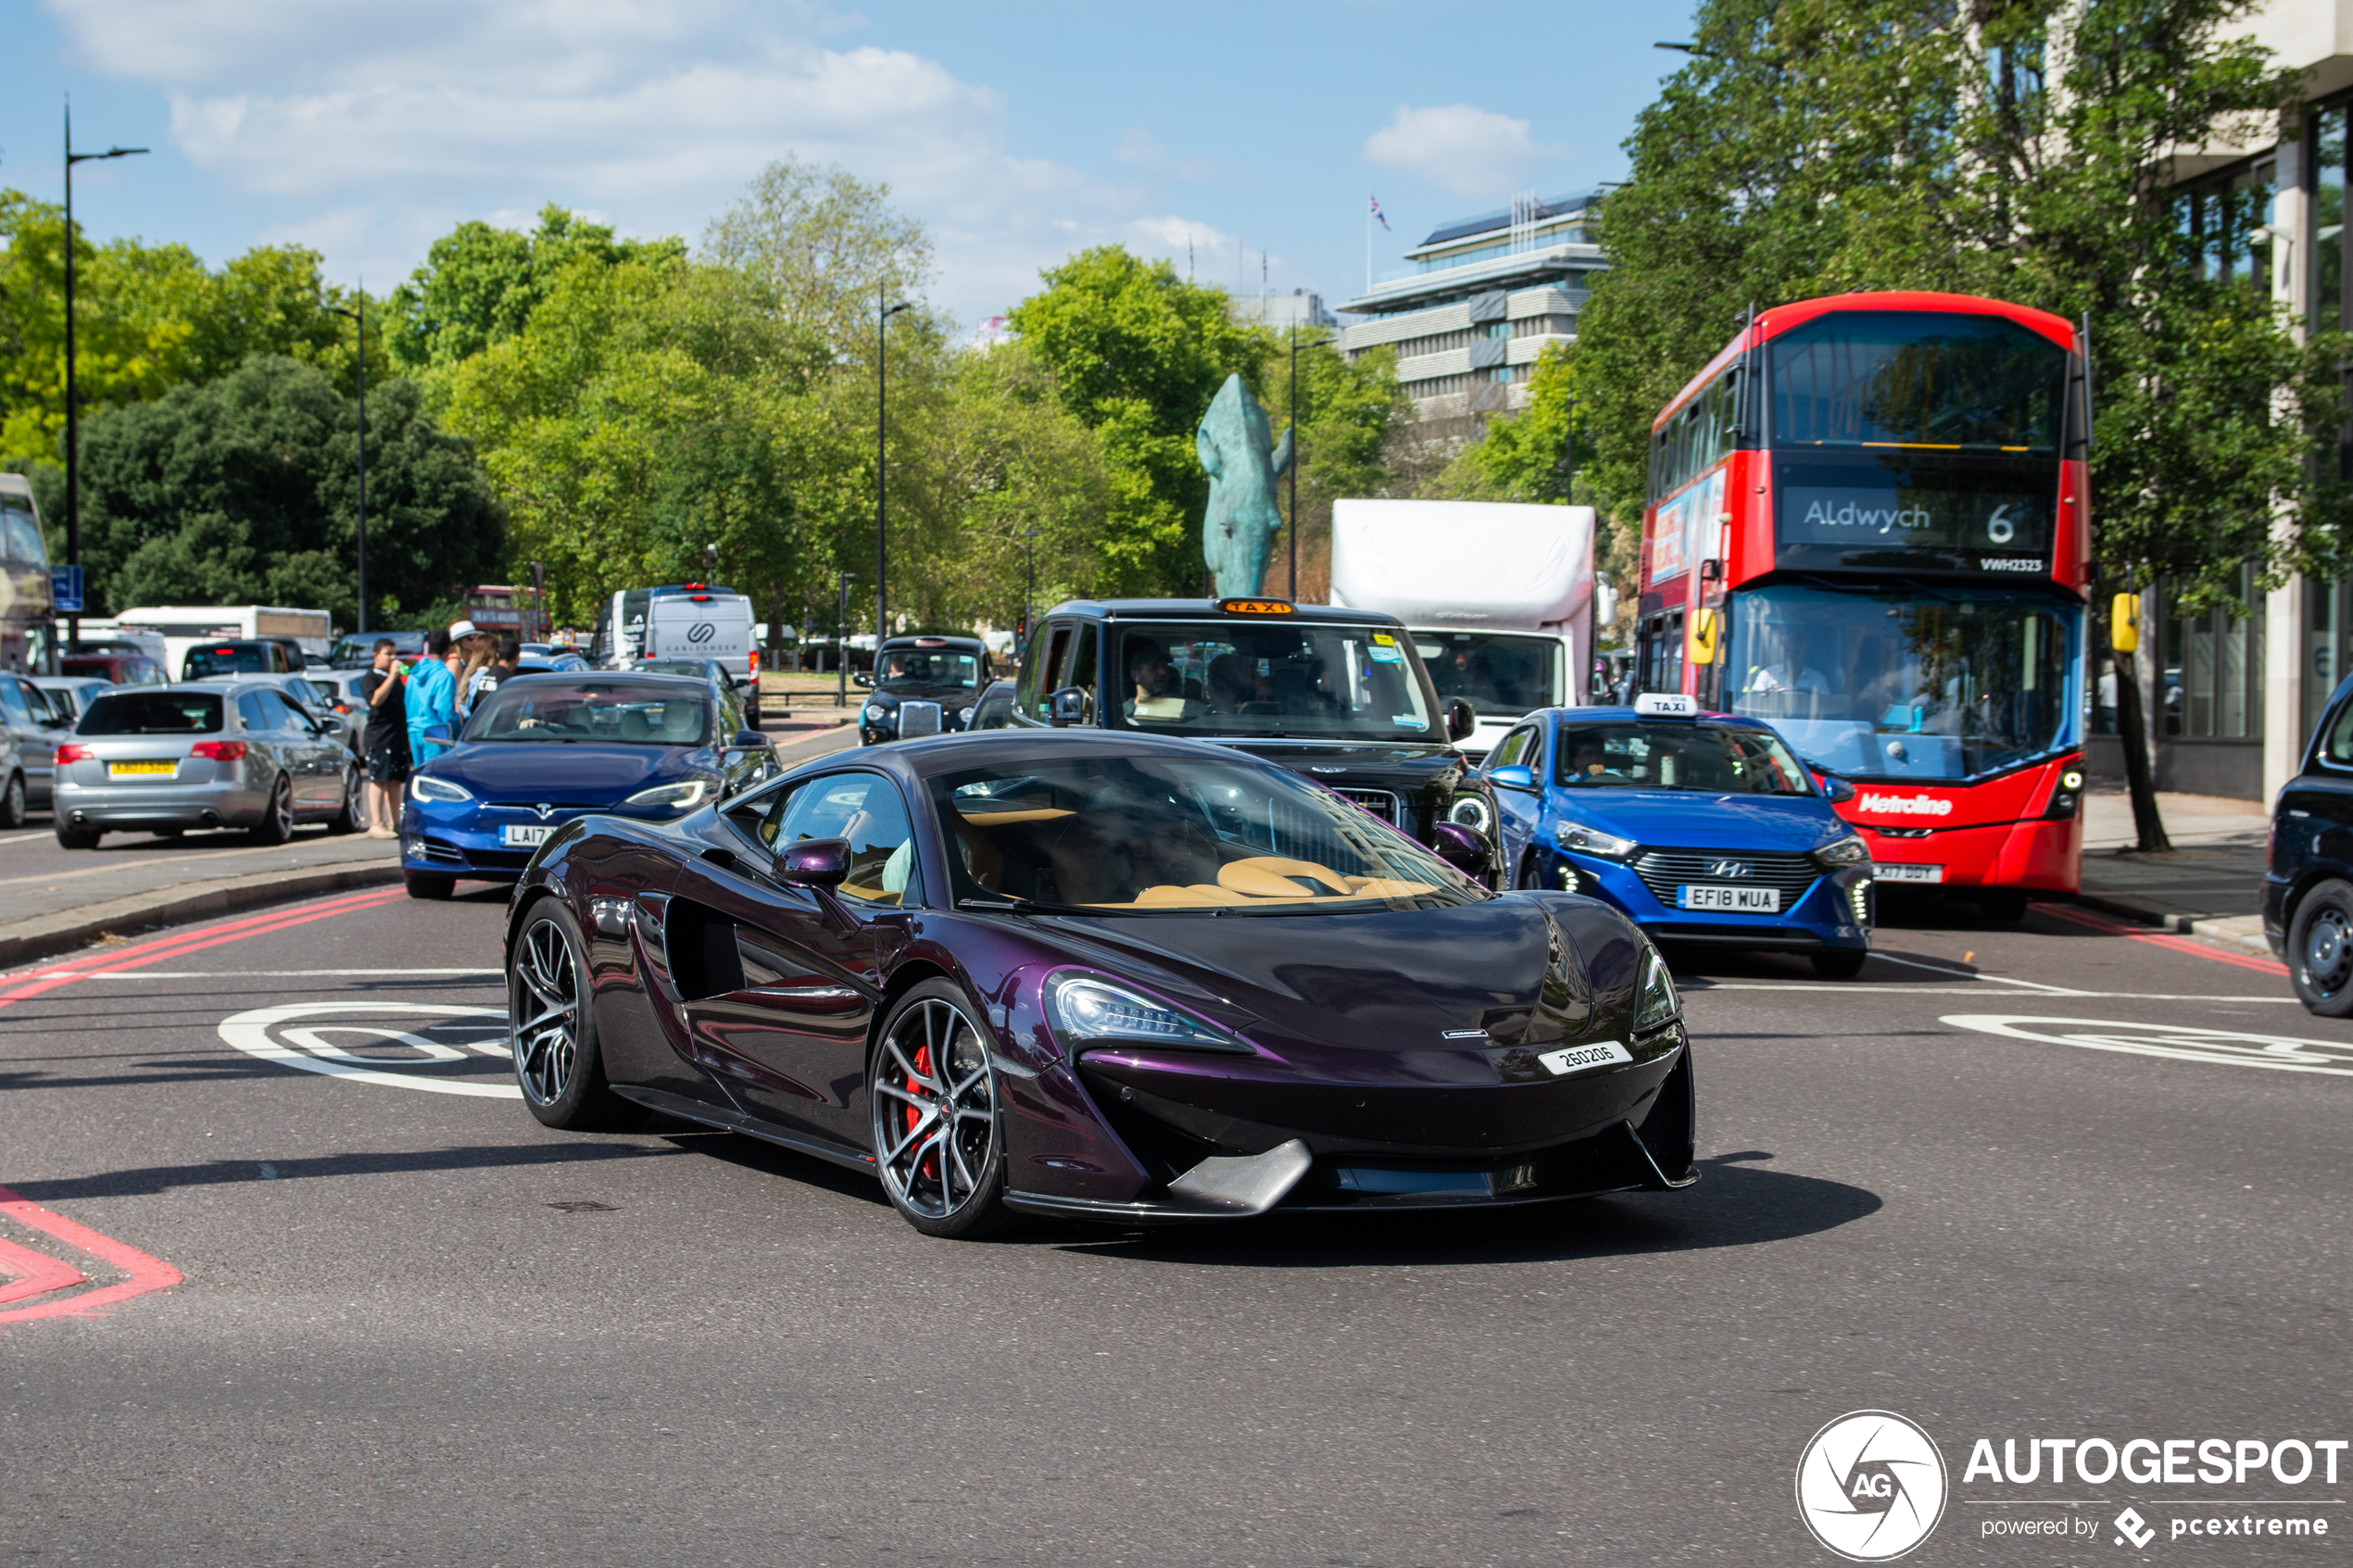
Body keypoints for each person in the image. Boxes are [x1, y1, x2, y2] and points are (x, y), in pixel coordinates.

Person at [359, 639, 410, 838]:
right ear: (376, 655)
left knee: (395, 781)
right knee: (380, 779)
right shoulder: (371, 678)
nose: (392, 658)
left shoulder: (394, 677)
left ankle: (395, 823)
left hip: (397, 737)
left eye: (394, 654)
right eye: (388, 654)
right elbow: (375, 700)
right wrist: (392, 676)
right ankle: (376, 823)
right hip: (380, 738)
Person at [406, 627, 458, 766]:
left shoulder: (414, 674)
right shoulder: (445, 676)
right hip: (435, 734)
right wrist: (458, 733)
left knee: (420, 775)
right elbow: (444, 711)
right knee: (436, 778)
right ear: (448, 648)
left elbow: (407, 702)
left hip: (414, 731)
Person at [1121, 637, 1204, 722]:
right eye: (1154, 667)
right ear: (1135, 675)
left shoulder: (1187, 708)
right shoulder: (1123, 713)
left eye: (1165, 666)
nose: (1163, 672)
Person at [462, 633, 521, 719]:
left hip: (479, 725)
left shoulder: (485, 675)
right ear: (516, 657)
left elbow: (474, 706)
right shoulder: (510, 680)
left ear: (498, 655)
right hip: (499, 726)